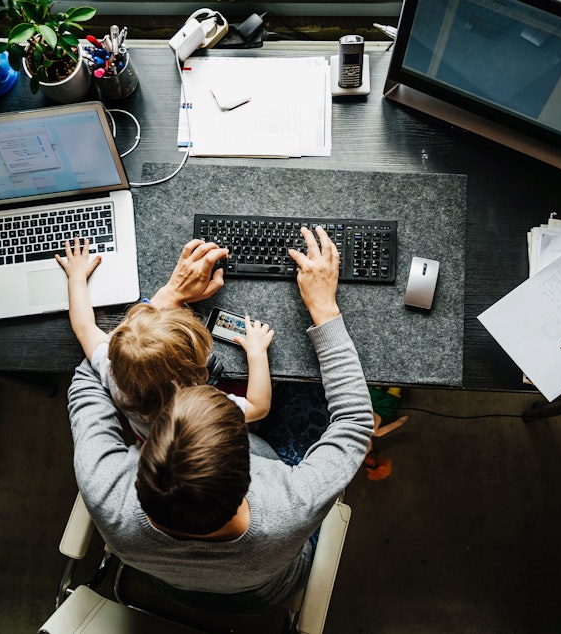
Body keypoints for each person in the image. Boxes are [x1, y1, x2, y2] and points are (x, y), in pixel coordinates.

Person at [66, 226, 374, 612]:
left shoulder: (105, 493)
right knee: (306, 396)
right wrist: (324, 308)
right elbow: (356, 423)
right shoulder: (289, 506)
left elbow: (89, 378)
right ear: (250, 470)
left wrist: (164, 302)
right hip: (267, 591)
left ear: (140, 464)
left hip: (170, 587)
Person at [56, 238, 274, 439]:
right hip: (194, 434)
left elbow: (84, 327)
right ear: (197, 372)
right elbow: (258, 407)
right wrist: (257, 353)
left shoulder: (112, 369)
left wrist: (76, 278)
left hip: (148, 435)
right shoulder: (202, 406)